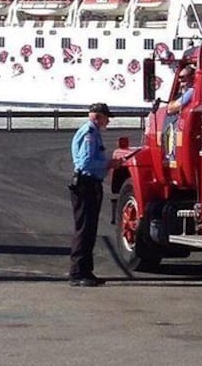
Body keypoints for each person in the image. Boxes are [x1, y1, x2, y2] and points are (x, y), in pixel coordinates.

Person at [68, 102, 119, 287]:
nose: (108, 122)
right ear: (98, 116)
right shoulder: (89, 133)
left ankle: (85, 271)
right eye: (106, 118)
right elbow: (85, 163)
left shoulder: (92, 132)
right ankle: (77, 273)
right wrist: (108, 164)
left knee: (89, 229)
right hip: (85, 184)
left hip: (88, 184)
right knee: (84, 229)